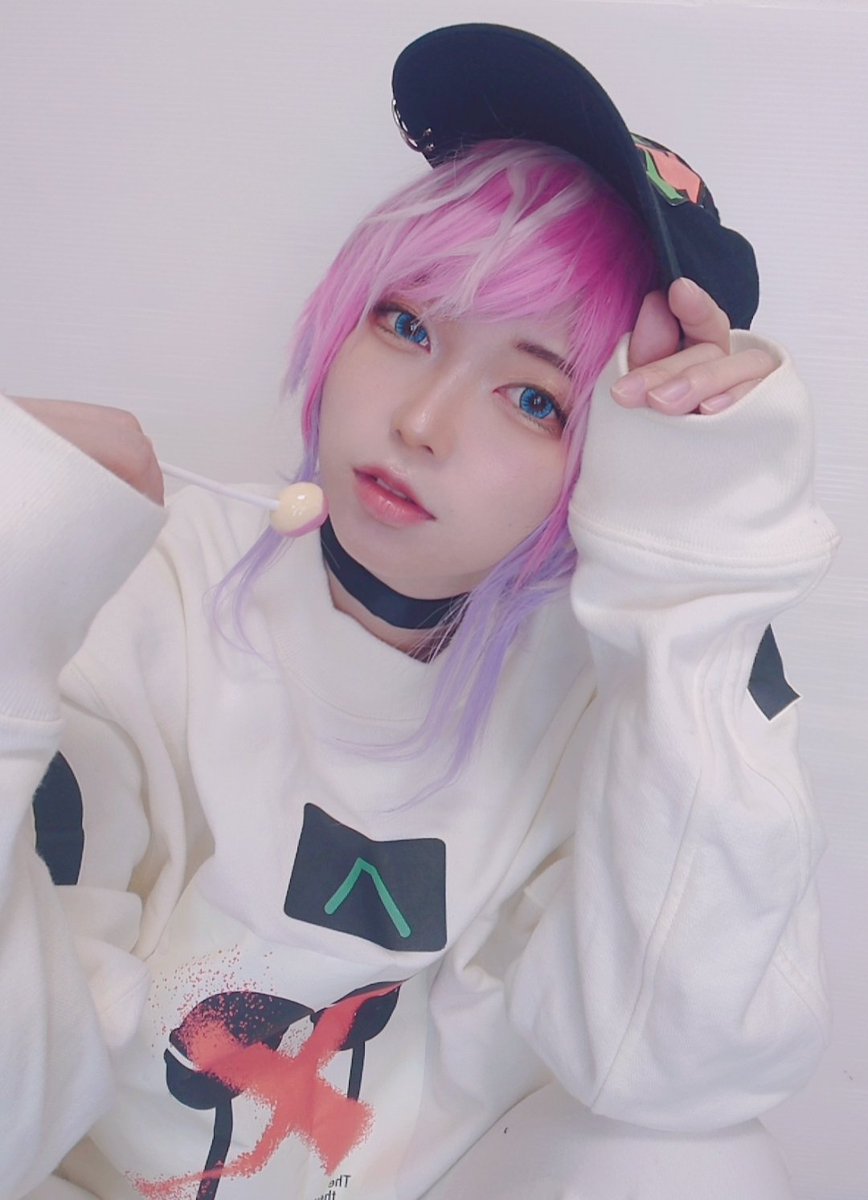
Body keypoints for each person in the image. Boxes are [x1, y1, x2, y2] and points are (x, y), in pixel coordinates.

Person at [0, 22, 838, 1200]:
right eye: (406, 324)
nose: (422, 421)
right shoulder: (150, 590)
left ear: (615, 464)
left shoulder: (604, 698)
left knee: (700, 1166)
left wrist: (692, 589)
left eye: (534, 399)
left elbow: (680, 1077)